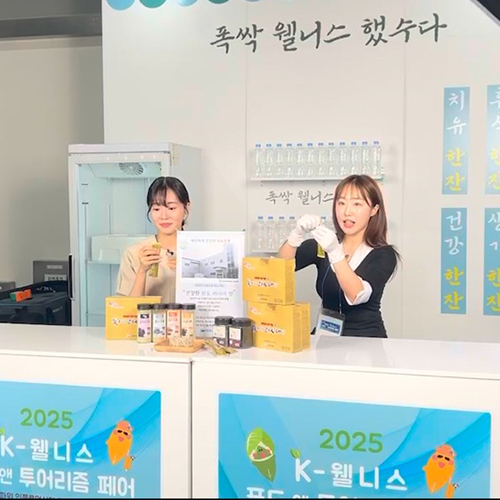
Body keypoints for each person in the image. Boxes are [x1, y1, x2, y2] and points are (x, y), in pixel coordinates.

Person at [278, 175, 399, 338]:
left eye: (357, 204)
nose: (347, 212)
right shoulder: (324, 245)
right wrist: (295, 236)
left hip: (365, 339)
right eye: (341, 203)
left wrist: (335, 253)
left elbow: (357, 295)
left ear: (374, 210)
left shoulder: (383, 254)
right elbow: (279, 269)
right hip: (325, 336)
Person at [116, 176, 190, 302]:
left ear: (186, 208)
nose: (164, 216)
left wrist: (190, 272)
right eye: (156, 209)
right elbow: (127, 309)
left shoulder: (199, 251)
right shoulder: (134, 253)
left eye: (171, 208)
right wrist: (142, 271)